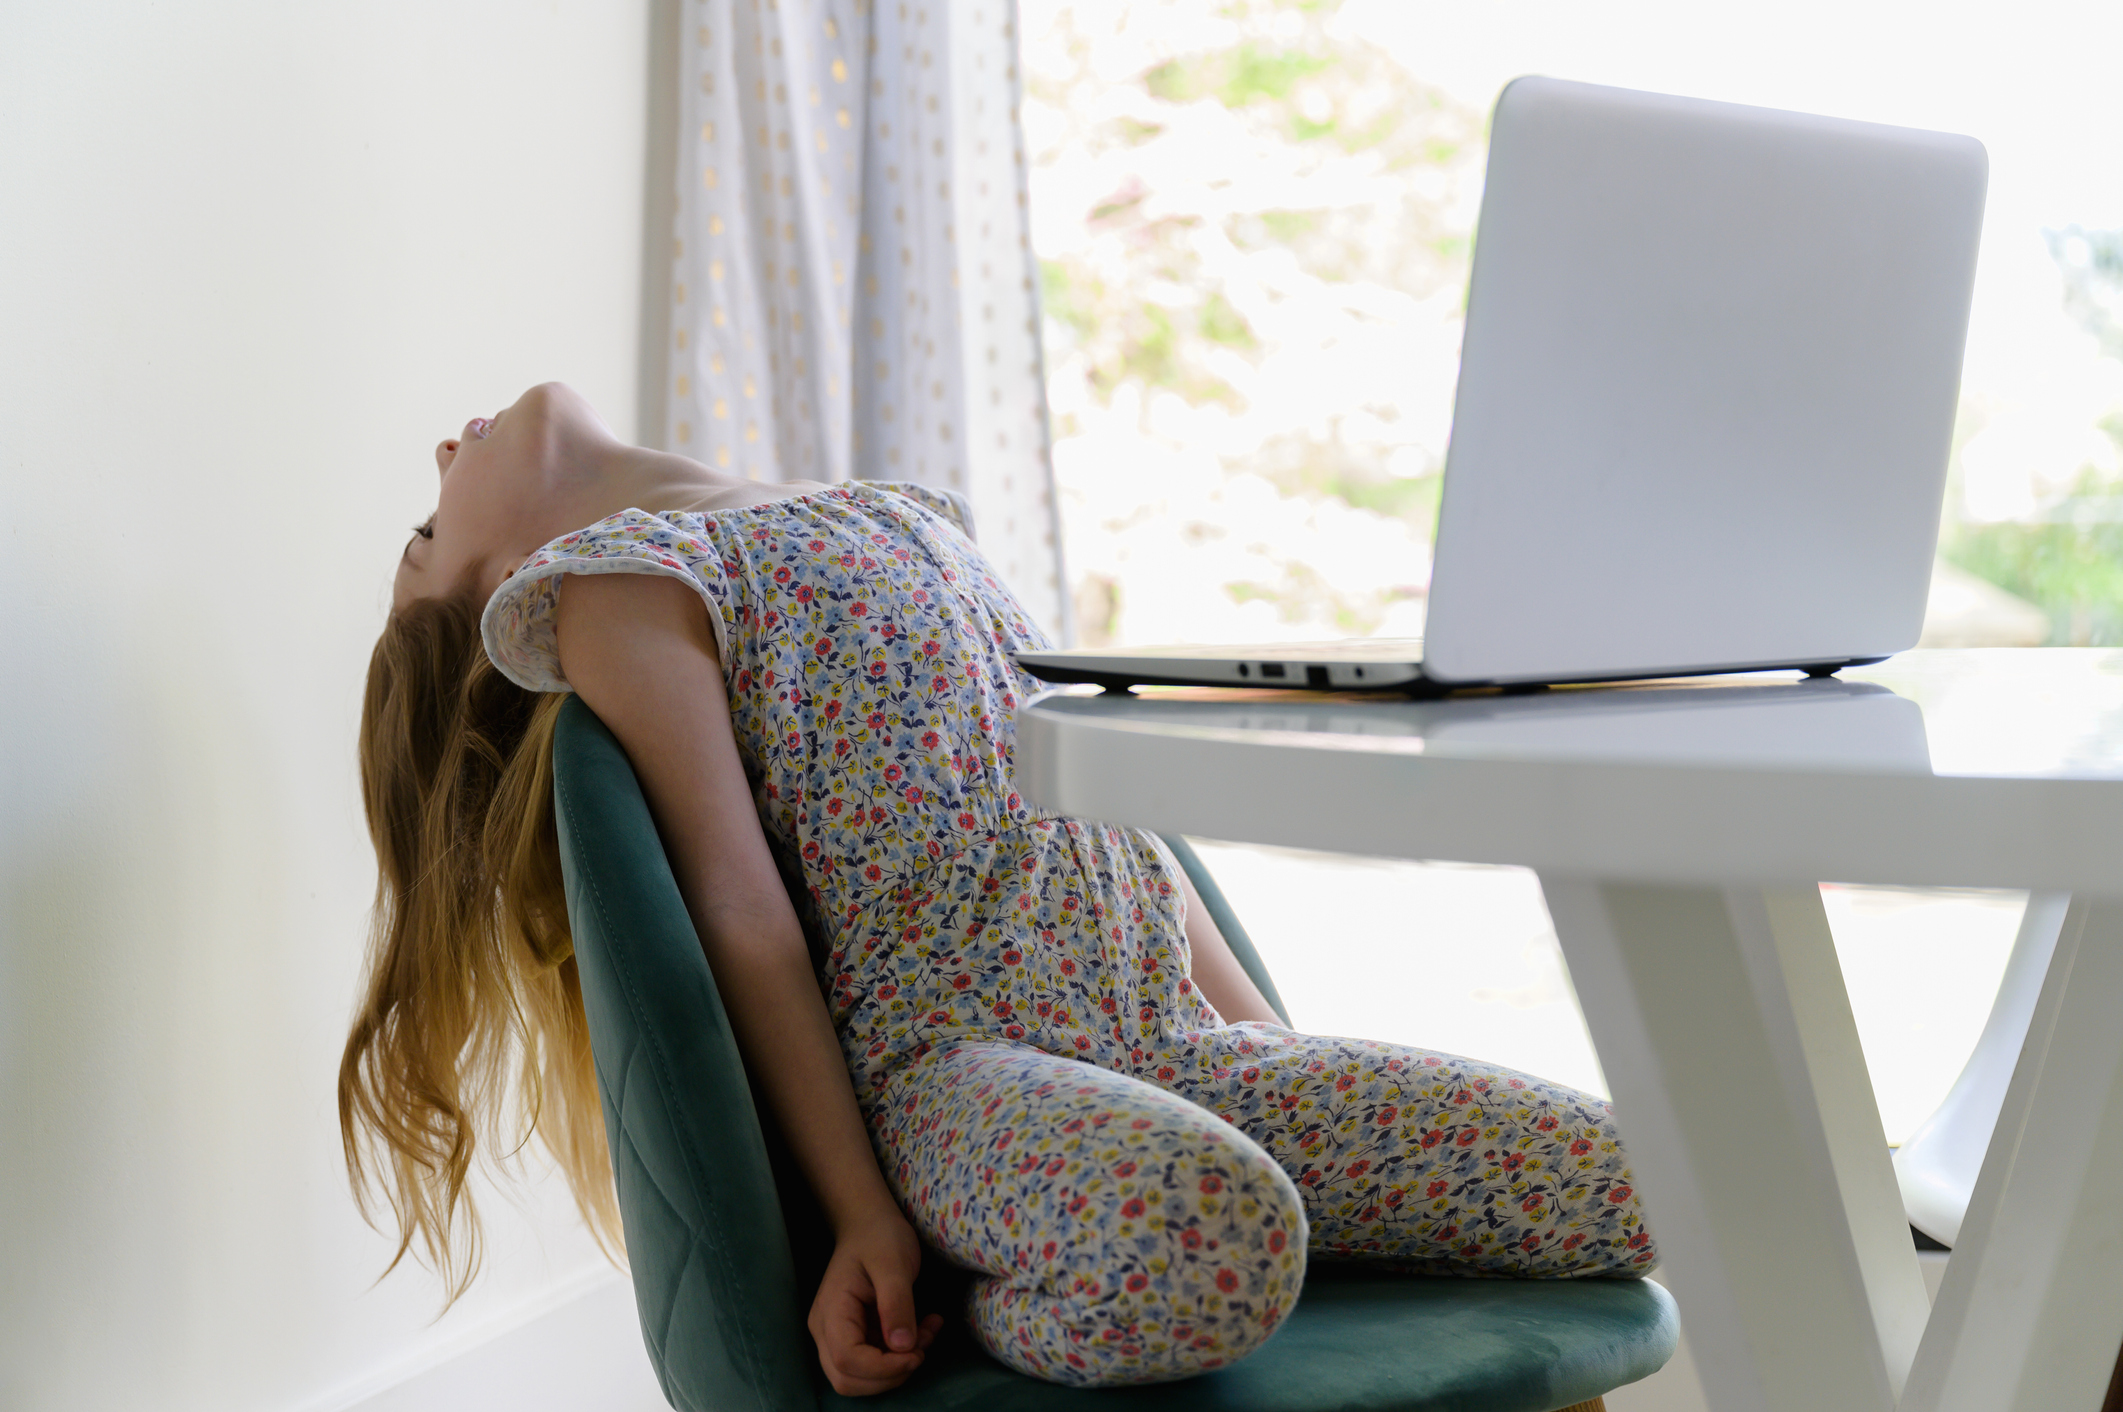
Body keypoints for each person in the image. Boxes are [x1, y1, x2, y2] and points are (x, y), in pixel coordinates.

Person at [343, 382, 1656, 1397]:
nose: (447, 451)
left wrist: (1272, 1045)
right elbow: (744, 919)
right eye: (425, 533)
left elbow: (1105, 815)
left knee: (1644, 1179)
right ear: (496, 597)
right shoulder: (614, 590)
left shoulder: (890, 509)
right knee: (1216, 1238)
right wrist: (867, 1218)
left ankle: (1182, 1210)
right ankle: (986, 1282)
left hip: (1171, 1046)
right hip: (964, 1073)